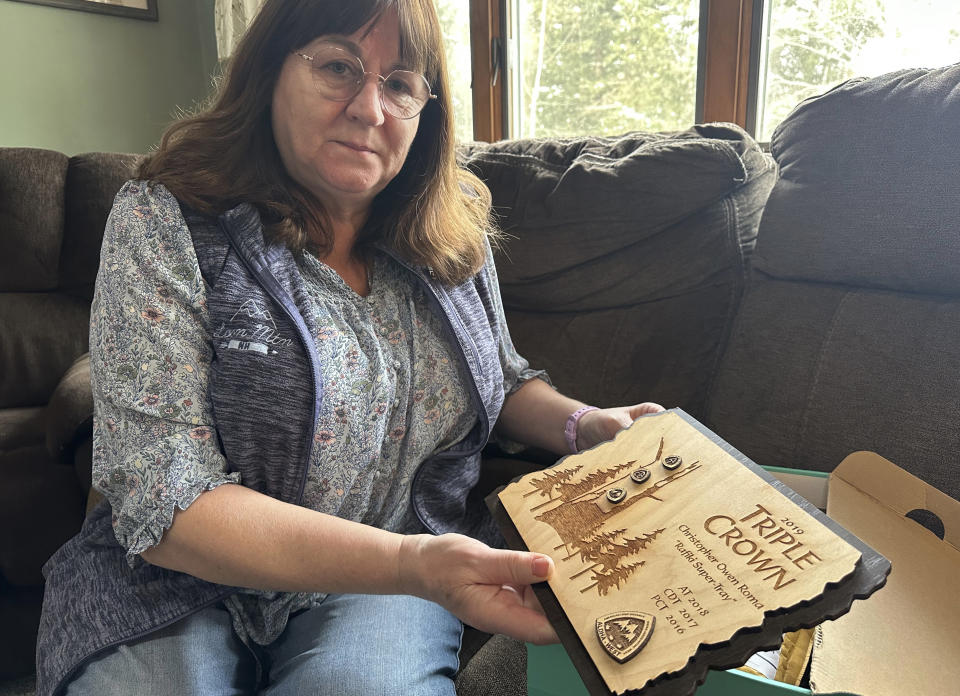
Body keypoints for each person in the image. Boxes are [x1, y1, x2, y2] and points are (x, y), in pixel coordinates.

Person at [36, 1, 664, 694]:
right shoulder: (163, 219)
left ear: (426, 107)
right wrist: (412, 564)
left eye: (400, 83)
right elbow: (165, 499)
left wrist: (586, 426)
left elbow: (500, 379)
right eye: (338, 66)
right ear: (270, 72)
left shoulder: (453, 237)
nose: (370, 108)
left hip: (387, 571)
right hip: (173, 580)